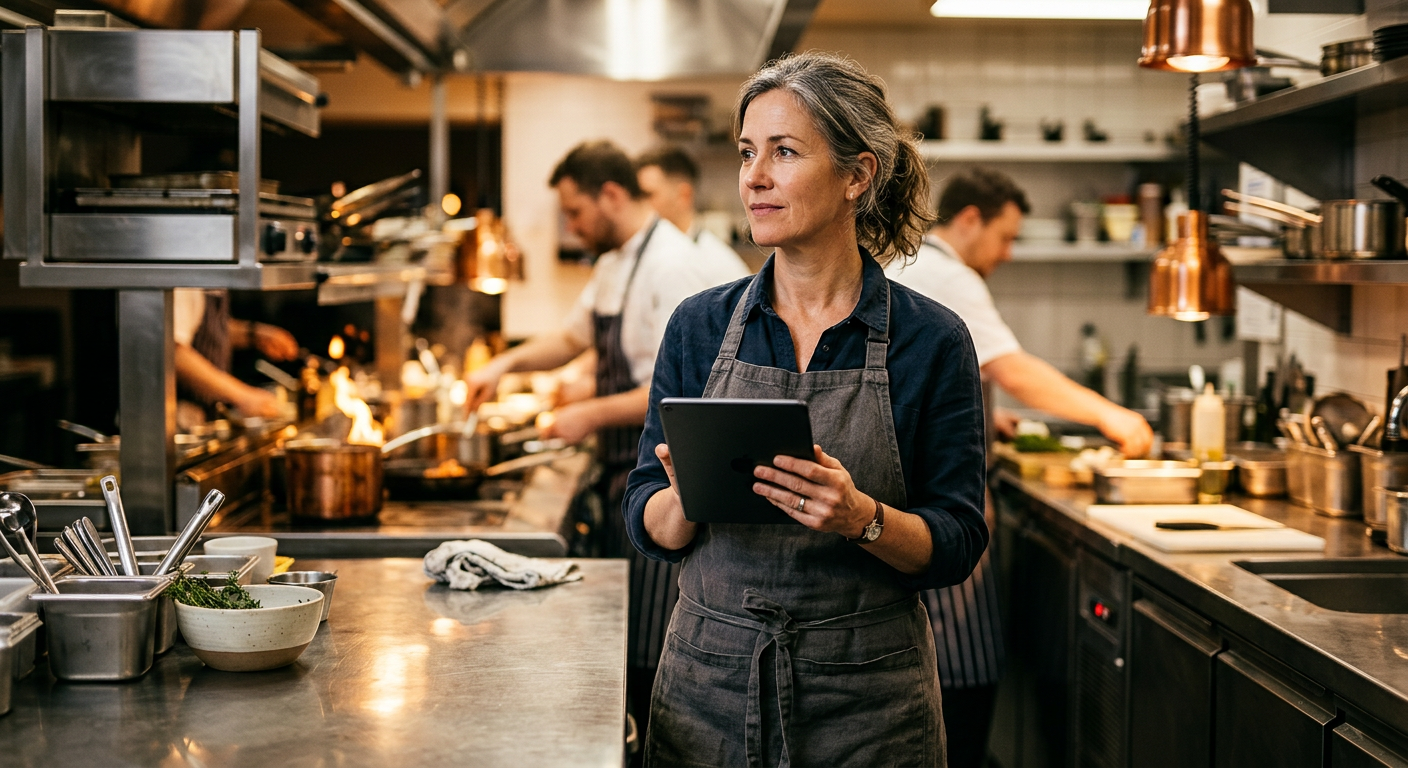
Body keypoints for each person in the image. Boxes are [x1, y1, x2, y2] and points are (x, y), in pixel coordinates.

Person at [625, 52, 989, 767]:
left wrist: (863, 518)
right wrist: (681, 499)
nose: (753, 177)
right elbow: (645, 512)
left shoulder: (932, 340)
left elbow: (958, 538)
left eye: (783, 153)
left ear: (858, 175)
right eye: (746, 153)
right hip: (709, 688)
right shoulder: (699, 327)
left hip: (870, 703)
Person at [884, 168, 1154, 768]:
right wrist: (1114, 418)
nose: (1006, 255)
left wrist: (989, 420)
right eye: (1005, 238)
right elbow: (1014, 369)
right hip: (937, 514)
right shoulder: (947, 273)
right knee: (963, 673)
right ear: (970, 219)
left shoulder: (914, 266)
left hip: (908, 509)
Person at [462, 140, 722, 730]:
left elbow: (675, 392)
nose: (572, 227)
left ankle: (660, 741)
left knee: (655, 649)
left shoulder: (672, 265)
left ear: (611, 195)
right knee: (624, 646)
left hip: (664, 478)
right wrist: (502, 366)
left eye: (576, 213)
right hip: (620, 474)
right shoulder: (615, 262)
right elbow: (570, 339)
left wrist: (588, 415)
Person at [173, 288, 299, 421]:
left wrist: (254, 334)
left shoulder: (213, 284)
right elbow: (174, 352)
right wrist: (243, 396)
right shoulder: (186, 283)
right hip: (182, 416)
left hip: (208, 414)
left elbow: (210, 329)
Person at [635, 145, 752, 282]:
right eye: (637, 197)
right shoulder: (644, 253)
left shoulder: (720, 267)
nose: (639, 204)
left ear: (684, 195)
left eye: (648, 195)